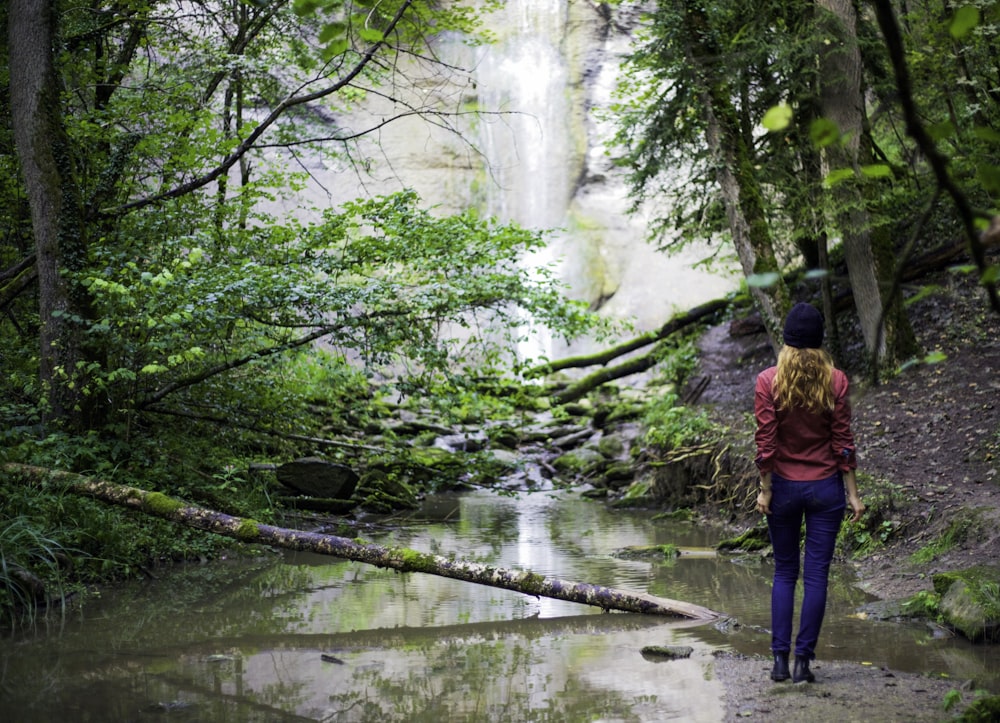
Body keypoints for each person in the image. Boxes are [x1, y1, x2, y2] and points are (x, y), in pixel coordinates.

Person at [754, 302, 865, 684]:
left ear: (786, 341)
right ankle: (804, 664)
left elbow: (765, 444)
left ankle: (779, 663)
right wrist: (853, 494)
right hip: (825, 489)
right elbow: (843, 442)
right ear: (820, 342)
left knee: (785, 572)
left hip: (783, 488)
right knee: (816, 575)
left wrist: (765, 490)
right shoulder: (836, 381)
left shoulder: (769, 381)